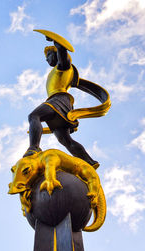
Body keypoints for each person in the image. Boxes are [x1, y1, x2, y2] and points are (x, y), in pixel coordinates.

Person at [24, 30, 111, 169]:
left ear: (55, 55)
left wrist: (55, 42)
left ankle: (33, 148)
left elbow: (63, 52)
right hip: (59, 101)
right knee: (65, 140)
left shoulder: (63, 67)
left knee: (34, 116)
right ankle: (89, 163)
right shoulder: (55, 72)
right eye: (46, 59)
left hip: (59, 99)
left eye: (49, 56)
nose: (47, 60)